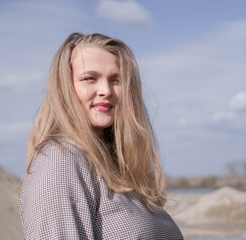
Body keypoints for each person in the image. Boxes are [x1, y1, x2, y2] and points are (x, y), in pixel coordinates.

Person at [19, 32, 183, 239]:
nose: (106, 90)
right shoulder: (60, 161)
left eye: (116, 80)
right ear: (65, 88)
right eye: (90, 78)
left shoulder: (111, 166)